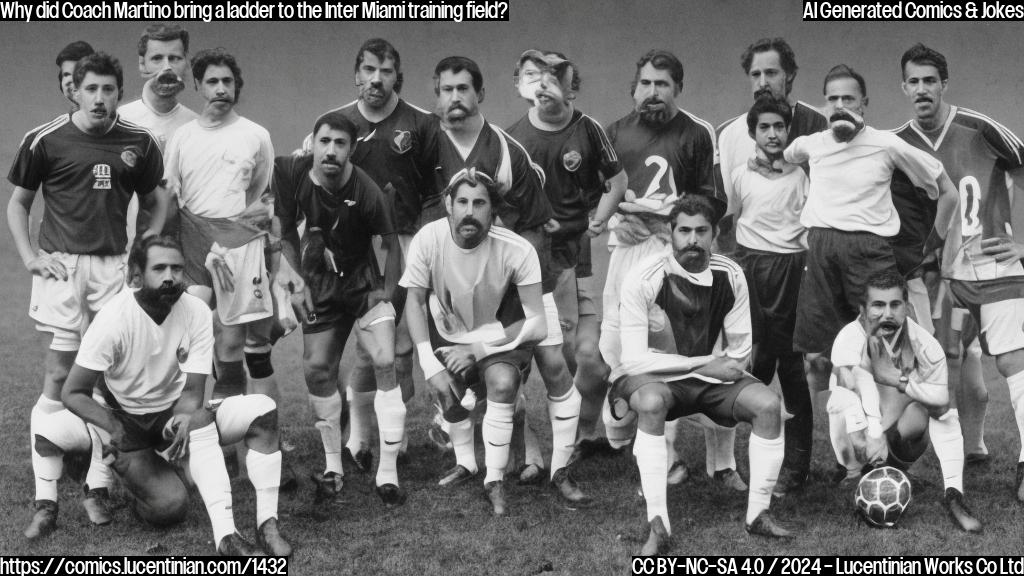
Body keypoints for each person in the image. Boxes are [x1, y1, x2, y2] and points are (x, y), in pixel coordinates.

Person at [7, 52, 168, 538]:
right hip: (61, 267)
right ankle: (46, 499)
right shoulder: (45, 138)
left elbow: (158, 198)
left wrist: (146, 243)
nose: (100, 98)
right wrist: (31, 256)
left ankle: (96, 489)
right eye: (90, 89)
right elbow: (19, 204)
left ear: (120, 92)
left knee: (109, 383)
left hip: (113, 268)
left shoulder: (139, 141)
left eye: (109, 90)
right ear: (74, 89)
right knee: (59, 374)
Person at [60, 235, 292, 555]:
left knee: (261, 410)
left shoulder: (195, 310)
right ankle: (128, 473)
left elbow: (194, 391)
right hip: (127, 421)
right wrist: (112, 428)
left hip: (168, 412)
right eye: (159, 268)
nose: (170, 276)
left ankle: (258, 528)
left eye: (177, 268)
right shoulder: (114, 319)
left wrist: (184, 415)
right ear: (135, 276)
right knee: (170, 508)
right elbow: (72, 392)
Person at [609, 195, 793, 555]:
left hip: (706, 378)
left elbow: (738, 353)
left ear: (715, 233)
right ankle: (657, 523)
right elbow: (632, 360)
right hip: (651, 377)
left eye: (701, 231)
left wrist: (707, 367)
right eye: (684, 231)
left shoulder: (731, 273)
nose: (692, 239)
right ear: (670, 233)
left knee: (768, 404)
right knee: (649, 402)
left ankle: (758, 514)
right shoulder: (643, 278)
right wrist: (699, 364)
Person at [784, 64, 957, 429]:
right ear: (825, 104)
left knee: (885, 350)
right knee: (821, 358)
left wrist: (932, 246)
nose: (840, 105)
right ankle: (849, 452)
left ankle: (894, 441)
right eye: (833, 98)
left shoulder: (887, 143)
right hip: (820, 252)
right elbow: (785, 155)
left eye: (849, 98)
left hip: (869, 250)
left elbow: (947, 192)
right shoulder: (811, 143)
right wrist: (762, 161)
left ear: (864, 103)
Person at [302, 38, 440, 473]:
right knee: (369, 350)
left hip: (403, 242)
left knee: (399, 350)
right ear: (356, 74)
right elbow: (310, 186)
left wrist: (426, 245)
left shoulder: (421, 124)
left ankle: (391, 442)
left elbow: (438, 192)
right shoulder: (336, 125)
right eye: (368, 70)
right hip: (353, 251)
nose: (376, 79)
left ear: (397, 75)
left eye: (385, 71)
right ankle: (360, 440)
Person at [597, 49, 734, 489]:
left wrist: (657, 219)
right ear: (633, 87)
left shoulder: (696, 132)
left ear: (678, 88)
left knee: (682, 350)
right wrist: (619, 216)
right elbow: (593, 197)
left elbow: (712, 203)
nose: (652, 92)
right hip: (626, 251)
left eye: (662, 84)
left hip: (678, 254)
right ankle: (636, 440)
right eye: (645, 83)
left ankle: (705, 461)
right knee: (616, 343)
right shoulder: (613, 132)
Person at [894, 43, 1024, 477]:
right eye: (913, 81)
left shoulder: (979, 127)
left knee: (1011, 360)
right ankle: (971, 448)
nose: (922, 89)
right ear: (903, 87)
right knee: (952, 359)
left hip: (991, 264)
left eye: (930, 80)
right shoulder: (896, 145)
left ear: (944, 84)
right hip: (936, 275)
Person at [430, 55, 558, 485]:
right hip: (443, 282)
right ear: (437, 95)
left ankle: (535, 453)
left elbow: (537, 228)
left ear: (479, 93)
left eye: (463, 88)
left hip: (503, 284)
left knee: (510, 368)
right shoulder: (424, 145)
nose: (455, 98)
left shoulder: (506, 149)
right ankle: (463, 452)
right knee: (456, 372)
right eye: (447, 90)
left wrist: (523, 289)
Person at [507, 50, 626, 486]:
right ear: (521, 84)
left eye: (558, 78)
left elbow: (617, 181)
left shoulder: (589, 129)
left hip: (577, 262)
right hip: (528, 264)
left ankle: (578, 437)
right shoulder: (512, 139)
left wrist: (602, 215)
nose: (547, 86)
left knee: (588, 359)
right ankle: (529, 452)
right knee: (518, 360)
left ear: (572, 89)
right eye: (537, 77)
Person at [276, 111, 405, 505]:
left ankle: (388, 472)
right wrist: (294, 281)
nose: (331, 151)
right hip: (321, 285)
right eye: (325, 142)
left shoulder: (367, 191)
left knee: (385, 360)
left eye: (340, 144)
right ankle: (334, 466)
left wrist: (385, 293)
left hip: (363, 283)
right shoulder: (290, 171)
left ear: (351, 150)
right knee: (316, 368)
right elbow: (283, 231)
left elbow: (391, 244)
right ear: (311, 143)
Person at [401, 168, 547, 515]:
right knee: (446, 391)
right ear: (448, 205)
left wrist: (479, 350)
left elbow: (538, 322)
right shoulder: (427, 238)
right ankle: (466, 463)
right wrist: (427, 361)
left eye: (479, 203)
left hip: (498, 338)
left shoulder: (517, 249)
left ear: (492, 209)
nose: (469, 210)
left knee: (501, 381)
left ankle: (494, 480)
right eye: (462, 201)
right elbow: (414, 302)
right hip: (448, 335)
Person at [162, 49, 277, 408]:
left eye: (227, 81)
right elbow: (170, 192)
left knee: (231, 343)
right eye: (212, 81)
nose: (221, 89)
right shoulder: (182, 137)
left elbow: (263, 192)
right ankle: (185, 421)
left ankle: (231, 429)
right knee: (189, 330)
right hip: (194, 243)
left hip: (239, 245)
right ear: (198, 85)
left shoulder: (255, 135)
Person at [827, 270, 982, 532]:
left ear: (907, 307)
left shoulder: (927, 347)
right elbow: (846, 390)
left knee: (925, 412)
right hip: (857, 429)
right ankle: (853, 472)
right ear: (863, 308)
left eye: (895, 304)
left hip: (893, 420)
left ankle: (951, 497)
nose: (887, 314)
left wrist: (899, 381)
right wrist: (870, 434)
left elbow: (943, 407)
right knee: (842, 397)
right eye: (878, 305)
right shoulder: (849, 337)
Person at [727, 95, 812, 496]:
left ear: (789, 130)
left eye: (780, 126)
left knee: (793, 369)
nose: (773, 134)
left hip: (792, 270)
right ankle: (739, 464)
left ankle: (796, 469)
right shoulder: (740, 175)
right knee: (753, 366)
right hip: (752, 272)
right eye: (765, 127)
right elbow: (731, 220)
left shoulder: (802, 174)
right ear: (753, 133)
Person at [120, 23, 198, 247]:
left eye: (174, 58)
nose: (167, 67)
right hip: (122, 252)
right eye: (157, 59)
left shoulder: (196, 127)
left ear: (186, 64)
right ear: (142, 65)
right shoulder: (118, 122)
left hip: (178, 251)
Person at [55, 40, 95, 111]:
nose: (72, 80)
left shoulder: (118, 118)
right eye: (66, 74)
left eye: (79, 73)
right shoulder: (64, 121)